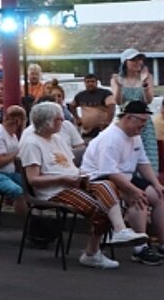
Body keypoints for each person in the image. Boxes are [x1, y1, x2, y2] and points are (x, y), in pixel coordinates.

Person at [20, 101, 147, 270]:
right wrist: (64, 179)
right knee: (100, 208)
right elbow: (33, 179)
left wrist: (79, 175)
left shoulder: (57, 138)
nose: (63, 122)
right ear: (47, 121)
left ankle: (119, 230)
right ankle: (91, 254)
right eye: (59, 119)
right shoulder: (31, 143)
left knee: (106, 183)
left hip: (73, 180)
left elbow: (68, 166)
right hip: (54, 189)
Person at [80, 100, 164, 263]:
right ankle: (140, 248)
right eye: (142, 121)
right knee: (139, 198)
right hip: (100, 180)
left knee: (159, 196)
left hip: (124, 176)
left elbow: (143, 162)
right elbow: (109, 172)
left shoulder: (134, 136)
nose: (144, 126)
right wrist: (133, 190)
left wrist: (157, 184)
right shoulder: (110, 138)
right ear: (129, 118)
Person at [112, 47, 157, 162]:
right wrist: (120, 87)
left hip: (143, 121)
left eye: (139, 60)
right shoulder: (117, 78)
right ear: (125, 63)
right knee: (126, 153)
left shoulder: (147, 77)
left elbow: (148, 100)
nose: (137, 63)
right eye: (133, 60)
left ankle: (148, 178)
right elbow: (118, 101)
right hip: (126, 120)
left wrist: (145, 85)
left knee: (147, 155)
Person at [72, 73, 115, 140]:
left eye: (92, 81)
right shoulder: (80, 95)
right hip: (86, 132)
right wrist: (77, 118)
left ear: (96, 82)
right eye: (88, 82)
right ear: (85, 83)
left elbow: (111, 107)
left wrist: (107, 122)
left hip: (102, 130)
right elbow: (72, 106)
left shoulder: (105, 93)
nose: (90, 83)